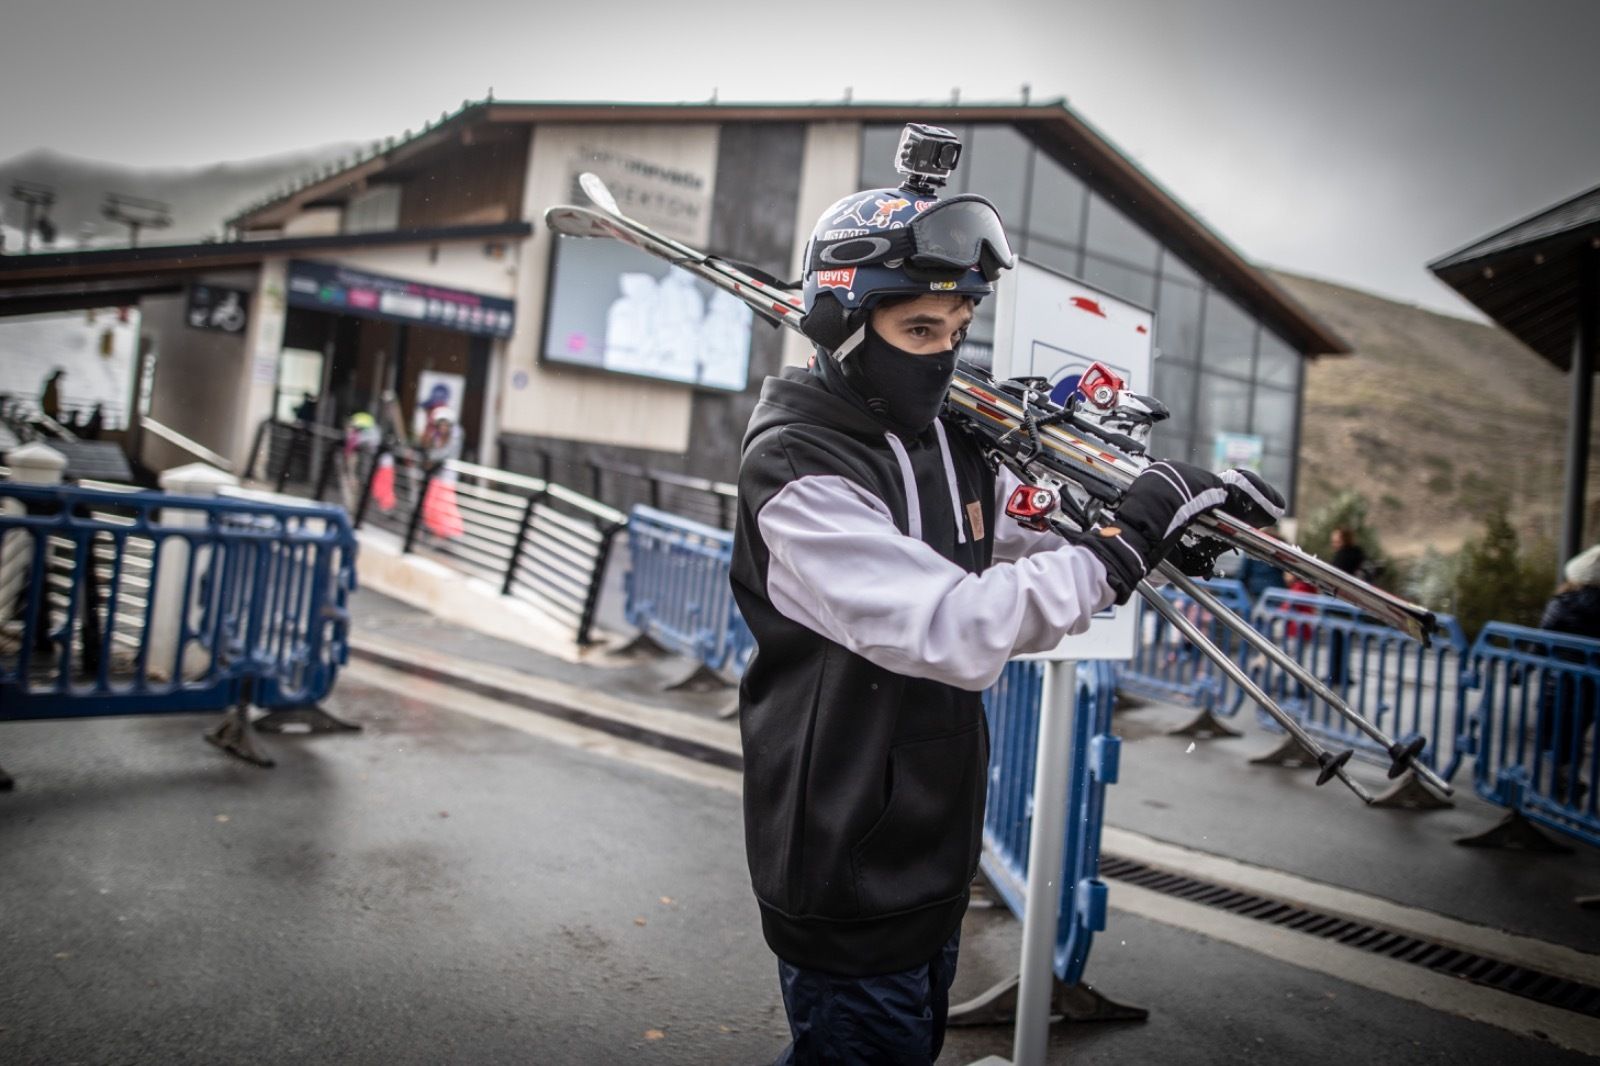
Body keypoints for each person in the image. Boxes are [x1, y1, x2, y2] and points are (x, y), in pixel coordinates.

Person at [730, 172, 1285, 1064]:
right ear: (840, 324)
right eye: (918, 330)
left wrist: (1156, 526)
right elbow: (953, 626)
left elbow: (1015, 546)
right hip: (845, 854)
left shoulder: (938, 438)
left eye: (957, 330)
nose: (943, 355)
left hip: (929, 839)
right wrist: (1125, 545)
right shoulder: (800, 466)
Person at [1538, 545, 1600, 803]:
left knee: (1554, 733)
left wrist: (1522, 668)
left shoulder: (1562, 602)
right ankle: (1567, 781)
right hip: (1591, 683)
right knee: (1576, 733)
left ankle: (1561, 782)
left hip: (1558, 679)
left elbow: (1542, 636)